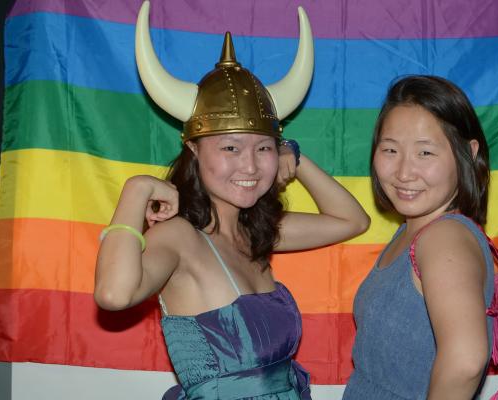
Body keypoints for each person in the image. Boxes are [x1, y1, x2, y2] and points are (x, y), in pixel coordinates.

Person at [94, 2, 369, 400]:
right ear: (192, 149)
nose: (251, 166)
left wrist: (296, 154)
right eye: (230, 147)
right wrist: (136, 190)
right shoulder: (178, 237)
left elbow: (351, 221)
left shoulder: (255, 231)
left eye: (264, 149)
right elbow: (113, 296)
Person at [343, 75, 495, 400]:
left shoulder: (445, 237)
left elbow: (466, 360)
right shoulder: (413, 231)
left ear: (467, 154)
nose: (403, 172)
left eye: (425, 153)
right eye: (390, 150)